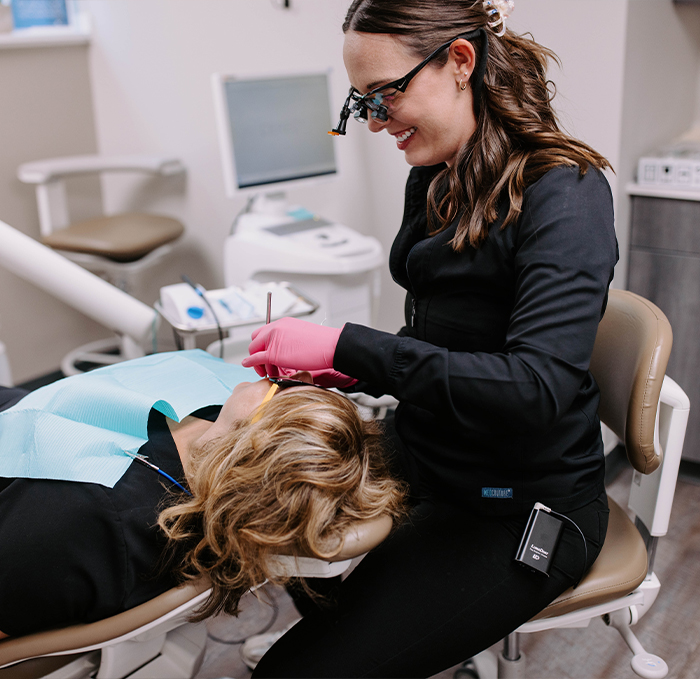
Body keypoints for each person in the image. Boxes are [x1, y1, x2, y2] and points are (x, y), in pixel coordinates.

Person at [240, 1, 619, 676]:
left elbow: (533, 389)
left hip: (517, 504)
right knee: (257, 513)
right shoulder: (440, 173)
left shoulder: (567, 193)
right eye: (364, 103)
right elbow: (446, 336)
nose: (379, 121)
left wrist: (346, 347)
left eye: (388, 94)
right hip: (429, 458)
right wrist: (343, 372)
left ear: (460, 61)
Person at [0, 364, 405, 639]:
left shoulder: (88, 517)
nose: (293, 375)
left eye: (288, 390)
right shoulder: (198, 447)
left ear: (251, 445)